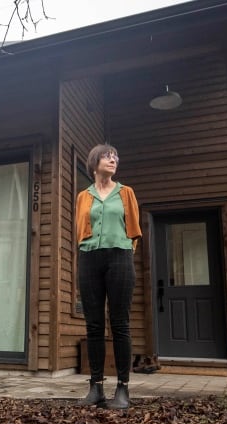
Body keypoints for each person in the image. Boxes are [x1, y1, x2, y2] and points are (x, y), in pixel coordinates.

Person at [75, 143, 141, 410]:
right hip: (89, 258)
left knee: (120, 323)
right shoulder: (83, 196)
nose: (113, 159)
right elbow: (80, 230)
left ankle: (122, 389)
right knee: (93, 325)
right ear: (94, 163)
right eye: (107, 156)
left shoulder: (126, 193)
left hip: (120, 257)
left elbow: (134, 230)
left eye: (115, 156)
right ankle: (96, 388)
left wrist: (123, 254)